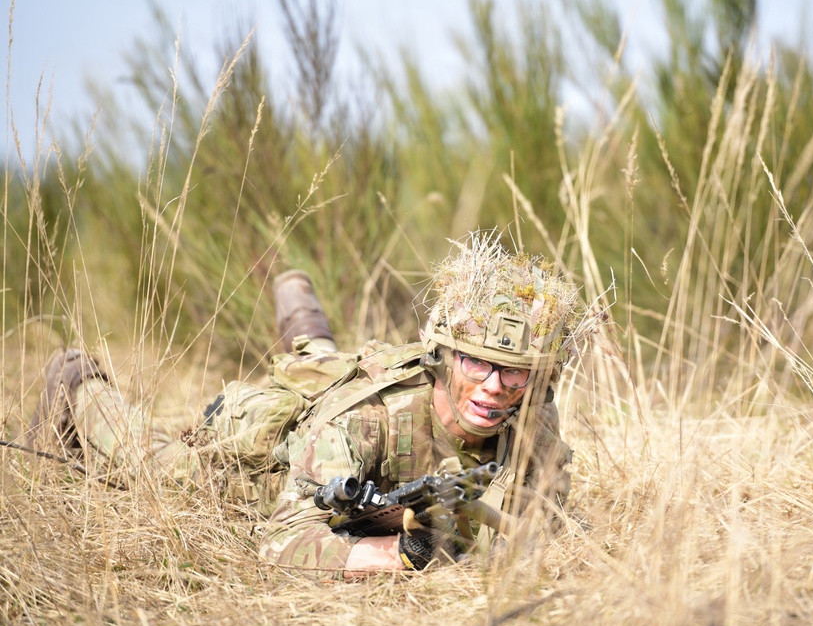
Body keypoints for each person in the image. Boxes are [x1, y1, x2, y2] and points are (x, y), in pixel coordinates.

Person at [26, 231, 595, 576]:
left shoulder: (530, 414)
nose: (495, 387)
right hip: (283, 457)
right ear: (443, 361)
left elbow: (542, 521)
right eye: (476, 364)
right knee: (156, 464)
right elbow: (281, 539)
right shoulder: (373, 423)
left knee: (323, 360)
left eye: (515, 373)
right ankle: (78, 380)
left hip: (345, 397)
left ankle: (297, 300)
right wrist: (400, 553)